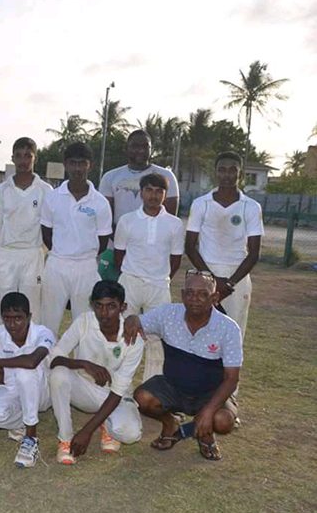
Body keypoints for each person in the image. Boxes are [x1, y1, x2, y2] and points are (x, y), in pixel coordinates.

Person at [126, 271, 242, 461]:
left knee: (222, 421)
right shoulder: (168, 314)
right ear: (182, 295)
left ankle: (204, 435)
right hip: (173, 386)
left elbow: (232, 378)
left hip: (210, 392)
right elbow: (138, 321)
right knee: (142, 398)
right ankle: (171, 423)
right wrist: (132, 319)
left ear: (215, 298)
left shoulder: (228, 328)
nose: (194, 299)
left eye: (203, 294)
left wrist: (209, 410)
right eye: (189, 293)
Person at [48, 280, 144, 465]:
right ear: (92, 304)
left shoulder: (134, 339)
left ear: (123, 307)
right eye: (99, 306)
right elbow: (54, 358)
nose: (104, 313)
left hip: (115, 396)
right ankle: (65, 439)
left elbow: (118, 390)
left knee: (131, 434)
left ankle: (105, 425)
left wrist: (86, 431)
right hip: (84, 389)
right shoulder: (84, 321)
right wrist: (84, 364)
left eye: (111, 307)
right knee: (58, 374)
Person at [185, 151, 263, 339]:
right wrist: (211, 279)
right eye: (222, 170)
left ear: (240, 174)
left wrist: (229, 283)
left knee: (233, 333)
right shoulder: (200, 203)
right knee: (201, 331)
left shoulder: (251, 207)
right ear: (215, 173)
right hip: (206, 273)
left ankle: (229, 369)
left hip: (237, 278)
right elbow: (189, 246)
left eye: (232, 170)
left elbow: (253, 254)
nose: (227, 175)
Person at [113, 172, 183, 381]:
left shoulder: (175, 224)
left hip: (159, 286)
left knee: (157, 339)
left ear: (165, 195)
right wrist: (133, 275)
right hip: (130, 283)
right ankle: (119, 388)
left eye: (159, 191)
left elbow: (176, 259)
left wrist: (159, 277)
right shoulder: (127, 221)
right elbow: (119, 255)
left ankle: (151, 390)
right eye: (149, 190)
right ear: (141, 193)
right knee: (123, 336)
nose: (154, 195)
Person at [40, 142, 112, 335]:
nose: (78, 168)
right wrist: (63, 252)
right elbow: (46, 232)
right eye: (73, 163)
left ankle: (83, 366)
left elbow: (103, 240)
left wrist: (82, 255)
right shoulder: (53, 197)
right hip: (56, 265)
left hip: (86, 267)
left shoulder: (100, 202)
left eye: (82, 163)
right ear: (66, 164)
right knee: (48, 324)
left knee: (86, 326)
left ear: (90, 165)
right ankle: (46, 364)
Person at [0, 292, 56, 468]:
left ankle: (31, 438)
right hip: (14, 390)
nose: (12, 324)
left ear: (29, 316)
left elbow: (32, 361)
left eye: (18, 318)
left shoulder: (43, 333)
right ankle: (25, 421)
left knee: (24, 372)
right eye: (7, 318)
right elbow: (0, 375)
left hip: (43, 392)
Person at [0, 137, 52, 324]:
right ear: (13, 158)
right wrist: (2, 249)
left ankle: (32, 349)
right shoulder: (2, 191)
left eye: (28, 156)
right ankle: (2, 348)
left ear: (35, 158)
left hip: (32, 254)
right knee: (4, 303)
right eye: (19, 156)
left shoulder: (45, 190)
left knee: (32, 305)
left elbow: (49, 224)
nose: (23, 161)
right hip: (7, 254)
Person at [99, 129, 180, 223]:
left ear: (151, 149)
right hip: (120, 235)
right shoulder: (110, 177)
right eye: (135, 146)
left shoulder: (166, 176)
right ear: (126, 148)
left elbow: (170, 217)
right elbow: (105, 215)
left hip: (156, 235)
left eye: (145, 146)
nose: (141, 150)